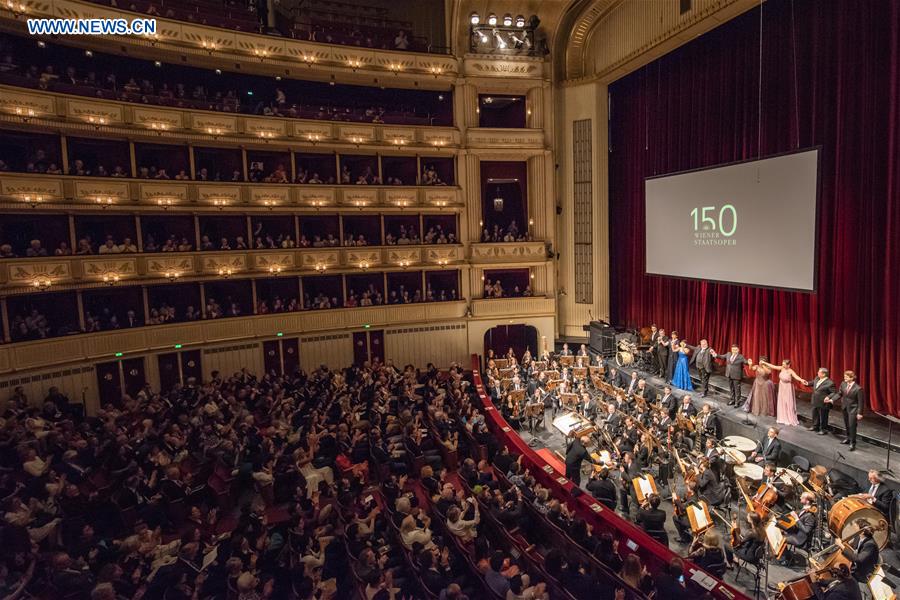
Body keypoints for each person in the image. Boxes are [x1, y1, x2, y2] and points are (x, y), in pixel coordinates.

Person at [828, 370, 866, 451]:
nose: (844, 378)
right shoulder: (843, 384)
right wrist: (832, 400)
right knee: (847, 424)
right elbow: (839, 394)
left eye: (846, 377)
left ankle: (853, 443)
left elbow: (861, 402)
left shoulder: (858, 389)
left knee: (852, 426)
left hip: (853, 410)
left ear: (852, 378)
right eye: (844, 376)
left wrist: (860, 413)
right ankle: (848, 438)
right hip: (845, 408)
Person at [837, 519, 880, 586]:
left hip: (863, 572)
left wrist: (842, 546)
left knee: (842, 580)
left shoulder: (870, 545)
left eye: (856, 527)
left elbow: (858, 559)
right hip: (855, 566)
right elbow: (853, 546)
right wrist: (845, 544)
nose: (854, 529)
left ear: (862, 532)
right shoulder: (858, 536)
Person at [762, 359, 803, 426]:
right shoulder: (782, 368)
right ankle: (782, 417)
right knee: (782, 401)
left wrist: (801, 380)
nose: (782, 365)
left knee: (787, 401)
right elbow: (773, 366)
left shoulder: (790, 371)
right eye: (782, 363)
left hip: (788, 388)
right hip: (782, 387)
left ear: (788, 365)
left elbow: (796, 377)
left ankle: (788, 417)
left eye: (784, 364)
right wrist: (765, 363)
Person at [804, 367, 837, 434]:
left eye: (819, 372)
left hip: (823, 402)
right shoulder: (817, 378)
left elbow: (833, 392)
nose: (817, 373)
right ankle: (815, 426)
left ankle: (823, 429)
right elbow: (813, 383)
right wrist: (807, 383)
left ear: (824, 374)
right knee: (815, 414)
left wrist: (828, 397)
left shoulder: (830, 383)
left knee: (823, 416)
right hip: (815, 400)